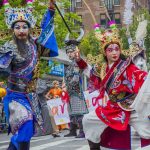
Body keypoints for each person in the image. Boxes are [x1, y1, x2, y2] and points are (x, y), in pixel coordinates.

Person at [72, 22, 150, 149]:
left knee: (147, 131)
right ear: (105, 52)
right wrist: (79, 60)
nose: (114, 52)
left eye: (117, 49)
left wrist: (146, 78)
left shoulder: (127, 66)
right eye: (110, 50)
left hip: (132, 106)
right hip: (112, 108)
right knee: (88, 120)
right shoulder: (102, 68)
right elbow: (91, 75)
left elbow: (139, 76)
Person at [0, 0, 58, 149]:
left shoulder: (35, 46)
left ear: (29, 29)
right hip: (14, 96)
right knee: (24, 126)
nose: (21, 30)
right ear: (12, 30)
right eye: (17, 27)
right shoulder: (9, 47)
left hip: (31, 96)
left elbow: (45, 31)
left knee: (27, 132)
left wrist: (50, 11)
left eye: (24, 27)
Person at [62, 30, 89, 138]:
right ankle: (72, 130)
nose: (69, 54)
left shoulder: (77, 63)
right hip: (69, 92)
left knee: (79, 112)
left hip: (76, 91)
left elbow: (76, 77)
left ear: (76, 52)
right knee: (71, 112)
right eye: (68, 52)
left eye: (71, 52)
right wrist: (64, 86)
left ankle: (82, 131)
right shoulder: (68, 65)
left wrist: (68, 86)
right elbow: (66, 78)